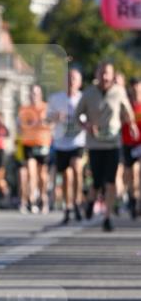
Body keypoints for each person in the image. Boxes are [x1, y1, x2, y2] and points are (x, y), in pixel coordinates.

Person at [76, 61, 138, 231]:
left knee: (110, 181)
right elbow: (77, 116)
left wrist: (132, 126)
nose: (104, 77)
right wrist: (87, 125)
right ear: (96, 75)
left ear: (112, 75)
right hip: (95, 144)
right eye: (101, 73)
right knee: (96, 182)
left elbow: (127, 113)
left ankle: (107, 217)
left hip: (113, 144)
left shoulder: (119, 92)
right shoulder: (88, 93)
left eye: (107, 73)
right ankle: (90, 202)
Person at [47, 68, 86, 224]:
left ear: (80, 82)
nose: (71, 81)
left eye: (74, 78)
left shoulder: (84, 98)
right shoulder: (55, 98)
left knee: (77, 168)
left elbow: (91, 117)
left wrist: (84, 122)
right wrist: (56, 117)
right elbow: (47, 118)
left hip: (78, 141)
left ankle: (77, 202)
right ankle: (67, 206)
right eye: (69, 78)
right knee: (65, 176)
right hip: (61, 142)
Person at [17, 84, 52, 213]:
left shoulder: (46, 108)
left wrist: (46, 122)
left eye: (37, 93)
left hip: (43, 143)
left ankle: (43, 198)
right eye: (32, 93)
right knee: (30, 172)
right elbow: (21, 125)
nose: (34, 96)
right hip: (29, 143)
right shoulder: (24, 109)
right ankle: (31, 199)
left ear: (41, 95)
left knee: (42, 175)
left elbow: (52, 123)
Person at [122, 77, 141, 218]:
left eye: (138, 87)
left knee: (137, 171)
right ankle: (133, 200)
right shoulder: (126, 104)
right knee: (130, 175)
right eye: (133, 88)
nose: (135, 90)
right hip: (128, 144)